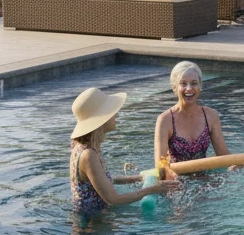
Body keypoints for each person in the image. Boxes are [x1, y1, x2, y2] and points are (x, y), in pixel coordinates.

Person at [69, 87, 174, 215]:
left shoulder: (84, 147)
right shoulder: (88, 155)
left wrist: (136, 178)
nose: (116, 114)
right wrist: (152, 189)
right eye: (111, 111)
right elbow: (113, 199)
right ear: (101, 120)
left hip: (98, 220)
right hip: (94, 226)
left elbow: (101, 182)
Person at [154, 61, 235, 171]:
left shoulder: (211, 116)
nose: (189, 88)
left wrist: (237, 163)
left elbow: (223, 154)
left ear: (200, 86)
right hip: (177, 183)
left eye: (194, 83)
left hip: (206, 181)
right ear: (174, 87)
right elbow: (161, 165)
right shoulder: (165, 120)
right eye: (183, 83)